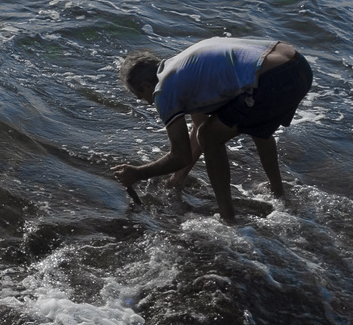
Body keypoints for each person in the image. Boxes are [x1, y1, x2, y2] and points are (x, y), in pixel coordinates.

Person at [112, 37, 313, 223]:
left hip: (275, 78)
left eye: (142, 98)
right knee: (256, 128)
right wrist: (177, 180)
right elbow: (197, 128)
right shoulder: (183, 68)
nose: (148, 103)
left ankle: (228, 217)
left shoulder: (163, 90)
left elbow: (180, 155)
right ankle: (279, 193)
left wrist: (138, 173)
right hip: (297, 66)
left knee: (210, 136)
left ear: (147, 86)